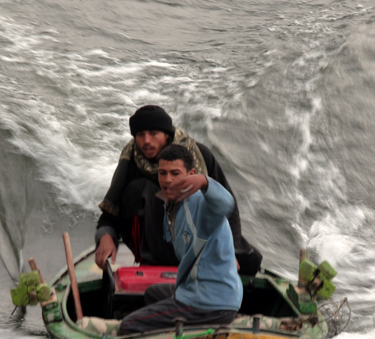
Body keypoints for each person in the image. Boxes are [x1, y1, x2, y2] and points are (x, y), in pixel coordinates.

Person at [95, 105, 261, 274]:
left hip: (196, 231)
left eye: (153, 133)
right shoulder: (130, 163)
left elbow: (227, 207)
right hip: (156, 242)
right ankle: (151, 261)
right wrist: (106, 237)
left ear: (167, 135)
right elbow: (110, 216)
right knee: (140, 189)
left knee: (249, 259)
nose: (146, 141)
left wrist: (229, 250)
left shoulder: (199, 155)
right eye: (140, 135)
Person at [119, 145, 243, 335]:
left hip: (207, 303)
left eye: (175, 173)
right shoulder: (173, 206)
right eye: (162, 173)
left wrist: (204, 182)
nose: (167, 180)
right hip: (211, 296)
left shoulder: (201, 203)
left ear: (191, 174)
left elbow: (226, 203)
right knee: (154, 293)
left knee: (128, 326)